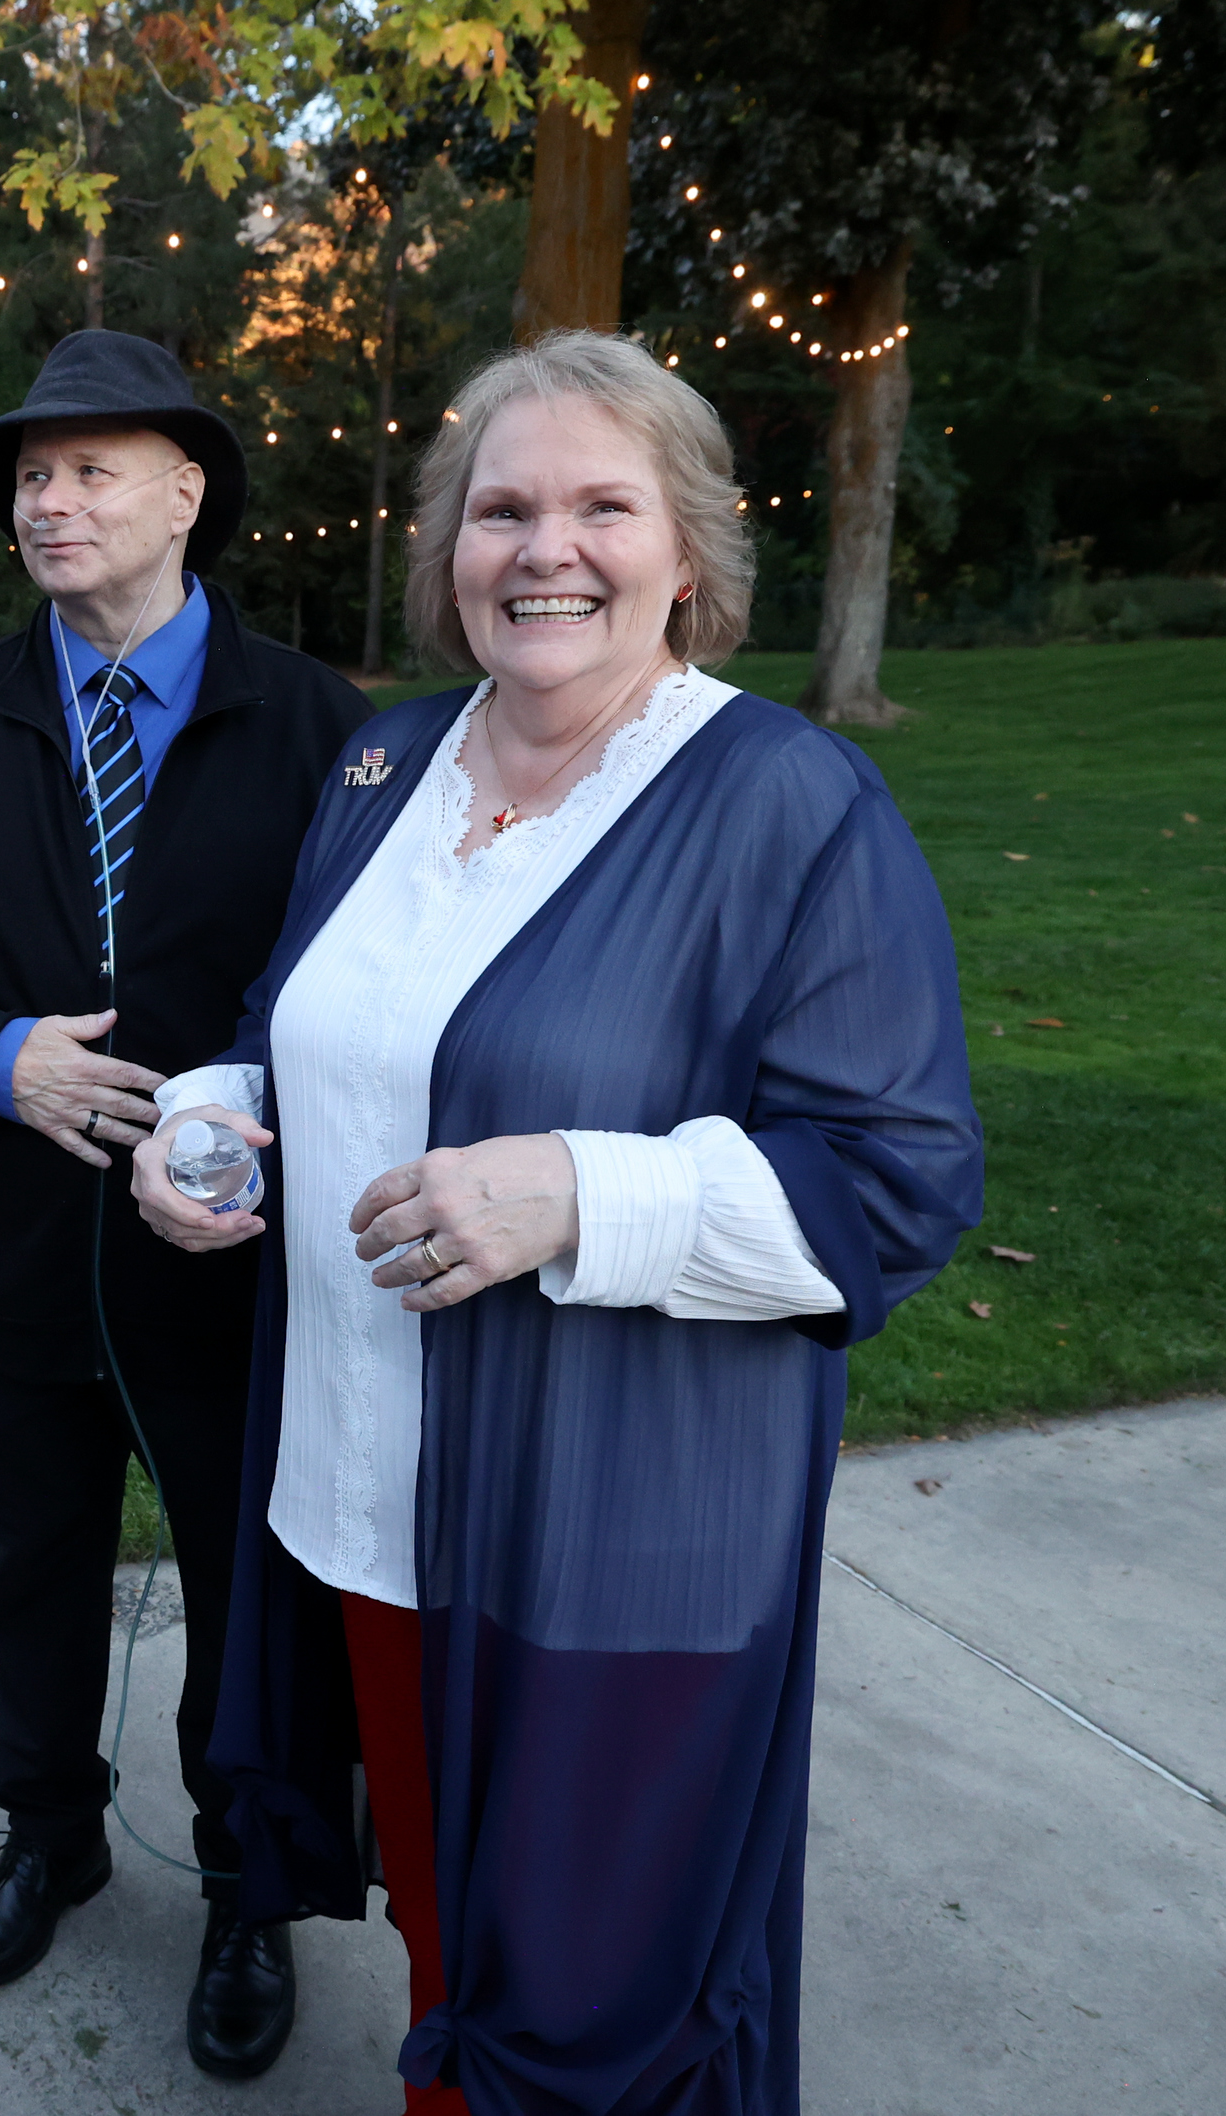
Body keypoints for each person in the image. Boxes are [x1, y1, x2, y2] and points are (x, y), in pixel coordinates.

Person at [133, 331, 983, 2116]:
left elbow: (895, 1186)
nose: (549, 549)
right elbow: (306, 1019)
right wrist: (217, 1124)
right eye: (504, 508)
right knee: (458, 1946)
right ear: (449, 550)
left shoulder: (785, 805)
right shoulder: (387, 770)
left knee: (598, 2009)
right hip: (368, 1504)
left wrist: (587, 1190)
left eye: (606, 505)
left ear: (690, 553)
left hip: (618, 1540)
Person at [0, 330, 371, 2077]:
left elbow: (379, 975)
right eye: (30, 476)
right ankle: (46, 1828)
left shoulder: (319, 723)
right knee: (38, 1565)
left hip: (235, 1259)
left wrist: (262, 1111)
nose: (49, 499)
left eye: (90, 467)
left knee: (242, 1581)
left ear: (189, 491)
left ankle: (246, 1878)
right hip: (21, 1241)